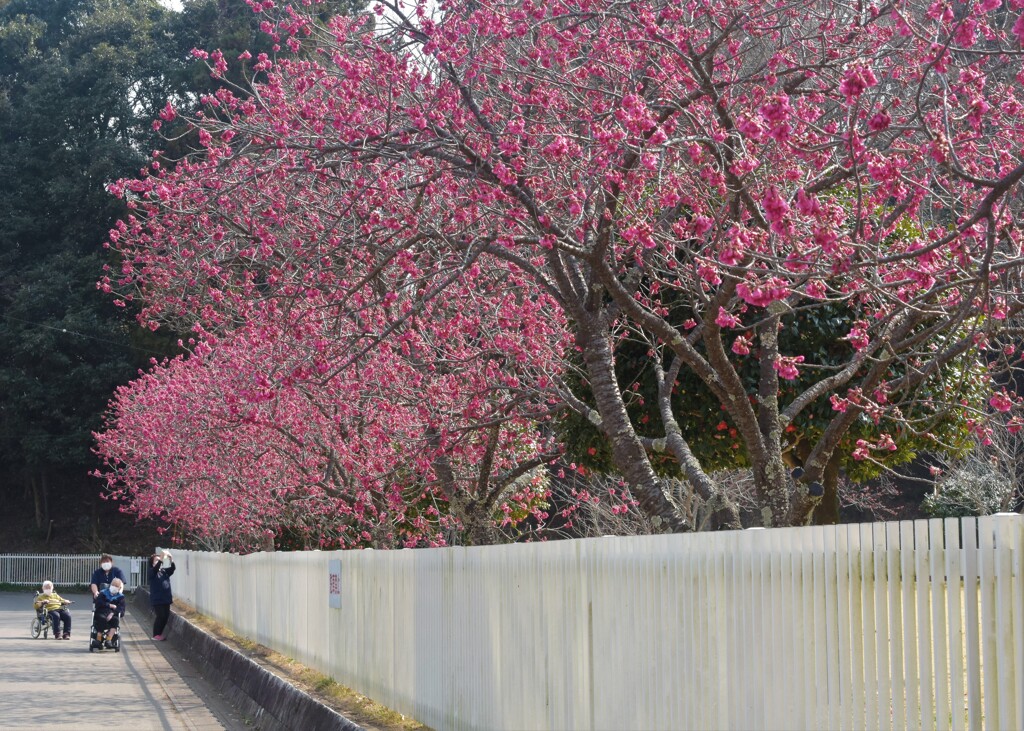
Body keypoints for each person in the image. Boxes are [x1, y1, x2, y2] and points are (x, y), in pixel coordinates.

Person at [148, 549, 175, 640]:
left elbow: (172, 569)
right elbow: (155, 569)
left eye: (159, 560)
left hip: (166, 598)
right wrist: (161, 559)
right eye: (156, 560)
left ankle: (159, 634)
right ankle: (156, 634)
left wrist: (171, 559)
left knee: (165, 617)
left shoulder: (164, 571)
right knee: (160, 616)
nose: (159, 561)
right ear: (152, 563)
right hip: (157, 599)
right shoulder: (152, 571)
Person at [93, 577, 126, 648]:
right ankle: (98, 639)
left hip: (113, 613)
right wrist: (109, 605)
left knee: (115, 620)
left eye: (116, 586)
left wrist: (113, 613)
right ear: (110, 585)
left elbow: (121, 609)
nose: (114, 587)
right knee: (101, 618)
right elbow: (98, 603)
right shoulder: (103, 593)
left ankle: (109, 640)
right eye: (113, 585)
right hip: (102, 611)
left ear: (119, 588)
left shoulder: (121, 597)